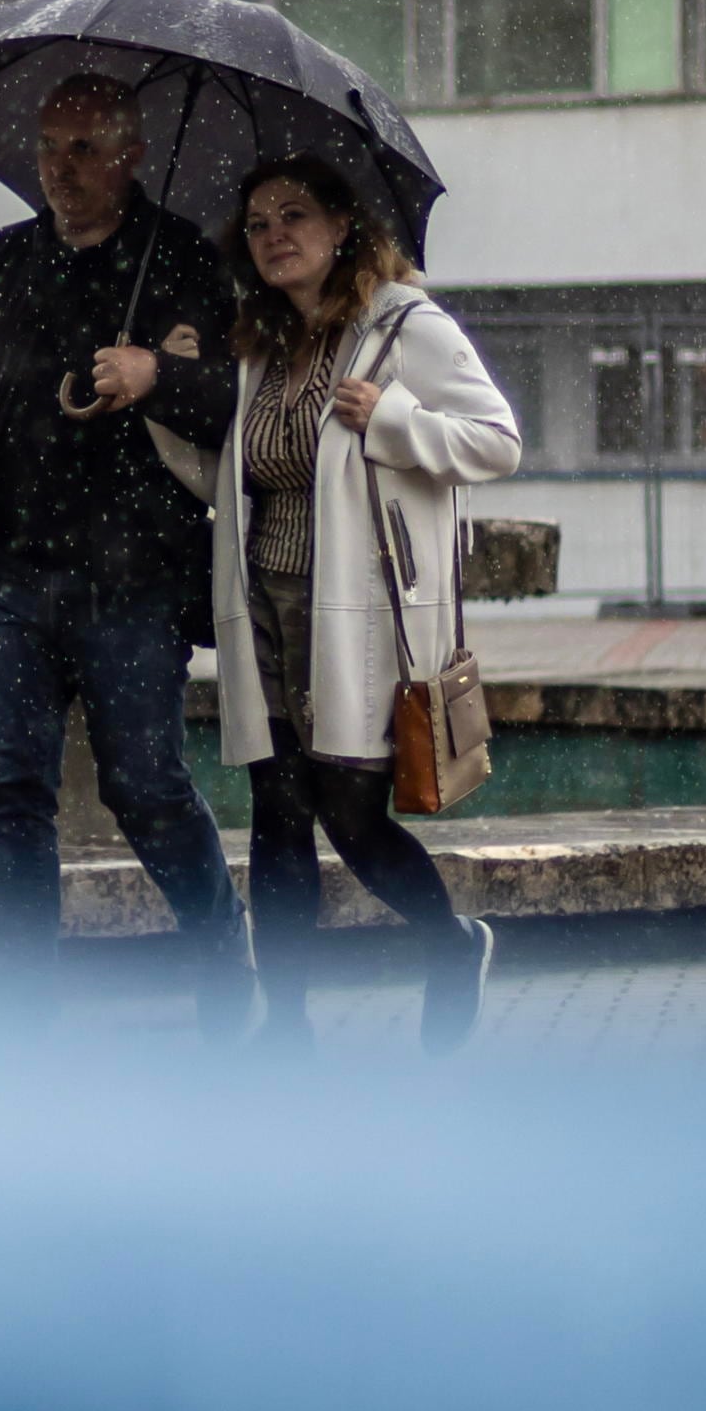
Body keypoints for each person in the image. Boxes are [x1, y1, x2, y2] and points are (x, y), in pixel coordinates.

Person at [0, 73, 249, 1023]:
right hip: (9, 574)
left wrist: (158, 373)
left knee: (145, 785)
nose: (60, 170)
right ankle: (24, 1011)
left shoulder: (183, 259)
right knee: (9, 788)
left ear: (132, 154)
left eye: (83, 149)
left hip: (133, 576)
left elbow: (236, 402)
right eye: (48, 147)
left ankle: (224, 951)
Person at [193, 155, 522, 1054]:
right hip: (263, 601)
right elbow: (232, 469)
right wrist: (153, 395)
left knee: (351, 815)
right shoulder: (258, 341)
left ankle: (451, 946)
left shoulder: (405, 326)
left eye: (295, 214)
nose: (275, 235)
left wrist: (393, 417)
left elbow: (497, 441)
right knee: (276, 808)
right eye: (258, 223)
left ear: (344, 227)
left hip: (360, 616)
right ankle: (287, 1025)